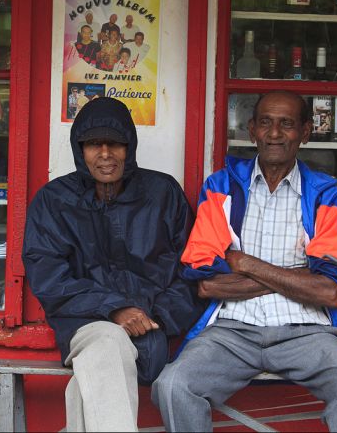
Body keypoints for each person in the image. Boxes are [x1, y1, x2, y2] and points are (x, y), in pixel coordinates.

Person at [152, 91, 337, 432]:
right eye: (266, 123)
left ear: (304, 132)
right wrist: (297, 276)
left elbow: (330, 292)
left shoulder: (326, 196)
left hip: (307, 332)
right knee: (172, 386)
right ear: (251, 130)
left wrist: (245, 263)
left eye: (287, 124)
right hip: (231, 331)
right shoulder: (222, 187)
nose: (275, 133)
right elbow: (207, 283)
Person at [23, 97, 204, 431]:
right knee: (107, 340)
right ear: (80, 149)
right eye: (93, 144)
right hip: (85, 324)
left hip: (153, 327)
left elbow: (192, 272)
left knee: (91, 378)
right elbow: (48, 277)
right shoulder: (54, 200)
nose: (105, 154)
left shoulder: (162, 193)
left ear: (129, 146)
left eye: (115, 144)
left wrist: (153, 318)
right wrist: (115, 309)